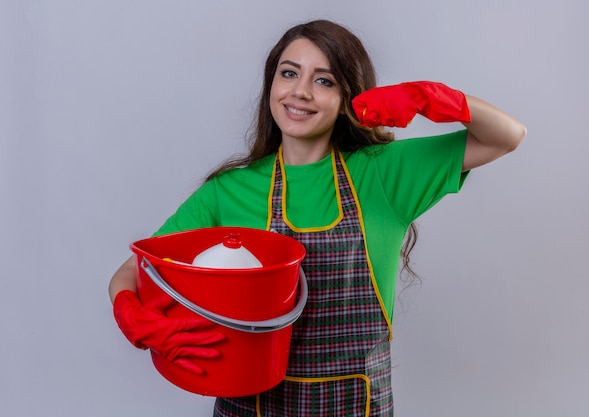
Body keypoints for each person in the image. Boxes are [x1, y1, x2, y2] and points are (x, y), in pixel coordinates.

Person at [109, 19, 526, 417]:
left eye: (323, 80)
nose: (301, 92)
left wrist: (431, 97)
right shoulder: (227, 191)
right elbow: (133, 270)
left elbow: (508, 135)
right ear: (271, 84)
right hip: (249, 405)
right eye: (289, 74)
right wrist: (131, 310)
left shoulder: (382, 174)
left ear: (348, 96)